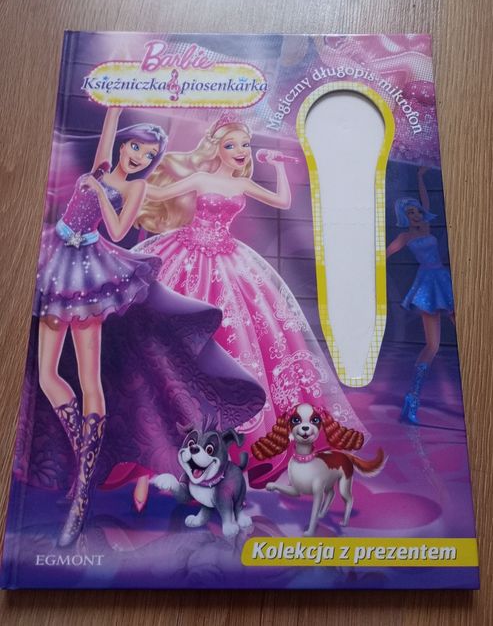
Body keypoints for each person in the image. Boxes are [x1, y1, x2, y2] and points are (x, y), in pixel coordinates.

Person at [33, 108, 265, 545]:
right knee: (48, 376)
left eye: (149, 154)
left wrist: (100, 193)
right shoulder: (102, 166)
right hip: (57, 260)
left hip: (91, 274)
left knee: (88, 378)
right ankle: (85, 457)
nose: (140, 157)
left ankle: (83, 491)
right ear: (124, 144)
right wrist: (114, 109)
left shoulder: (135, 186)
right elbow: (107, 136)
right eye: (136, 147)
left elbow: (117, 228)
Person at [132, 112, 367, 497]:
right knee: (178, 336)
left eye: (244, 144)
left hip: (228, 262)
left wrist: (278, 167)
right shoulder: (200, 179)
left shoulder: (242, 183)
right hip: (188, 257)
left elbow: (282, 200)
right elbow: (156, 195)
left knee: (239, 337)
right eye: (231, 145)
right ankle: (171, 436)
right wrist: (131, 173)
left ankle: (231, 444)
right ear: (217, 149)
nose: (240, 151)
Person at [386, 167, 454, 424]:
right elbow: (384, 255)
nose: (415, 214)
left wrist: (419, 178)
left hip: (442, 280)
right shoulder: (405, 236)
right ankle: (412, 399)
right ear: (404, 217)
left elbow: (426, 202)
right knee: (432, 346)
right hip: (427, 284)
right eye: (410, 212)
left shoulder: (426, 225)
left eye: (416, 210)